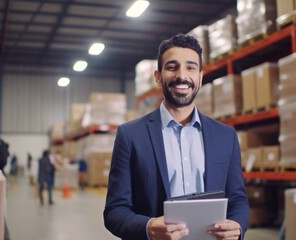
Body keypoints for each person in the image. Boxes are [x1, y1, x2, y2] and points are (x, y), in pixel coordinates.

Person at [103, 33, 249, 240]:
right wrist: (148, 227)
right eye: (172, 67)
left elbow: (238, 200)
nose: (182, 76)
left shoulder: (225, 136)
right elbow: (114, 211)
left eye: (191, 67)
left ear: (200, 76)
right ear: (158, 76)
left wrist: (238, 226)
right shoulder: (130, 135)